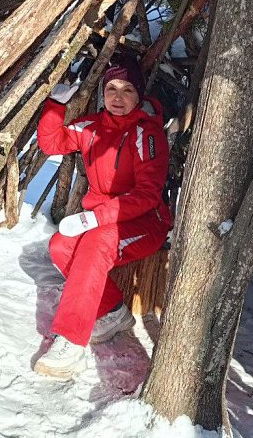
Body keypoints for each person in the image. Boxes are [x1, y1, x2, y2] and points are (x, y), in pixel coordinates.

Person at [34, 55, 172, 380]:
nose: (118, 97)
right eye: (112, 88)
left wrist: (95, 219)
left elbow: (147, 195)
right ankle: (113, 312)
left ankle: (70, 340)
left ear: (138, 95)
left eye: (127, 89)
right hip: (100, 220)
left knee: (97, 242)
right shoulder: (91, 127)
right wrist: (55, 106)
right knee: (60, 246)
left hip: (144, 222)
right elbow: (52, 143)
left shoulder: (147, 134)